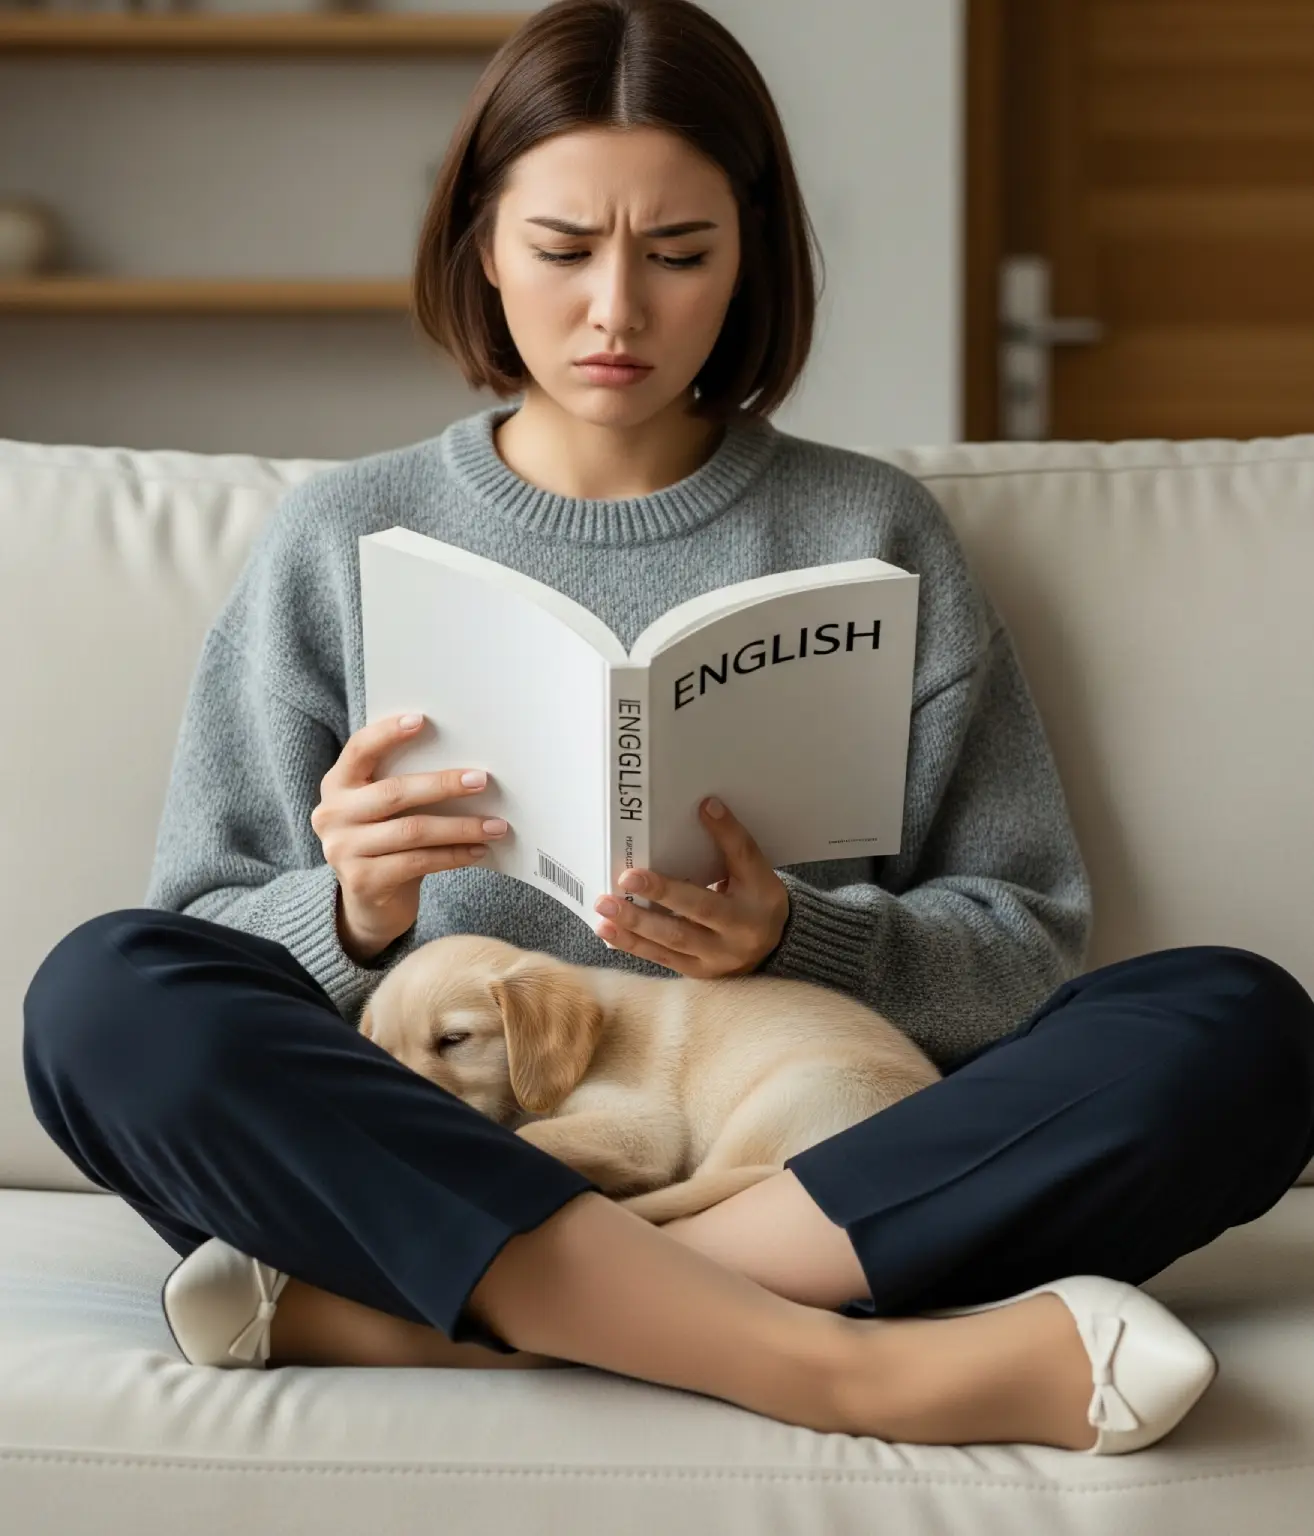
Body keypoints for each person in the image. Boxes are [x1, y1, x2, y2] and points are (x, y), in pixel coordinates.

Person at [21, 0, 1314, 1455]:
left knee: (1234, 1027)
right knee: (99, 999)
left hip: (795, 1166)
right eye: (562, 251)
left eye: (678, 254)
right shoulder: (340, 538)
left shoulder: (867, 529)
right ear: (481, 248)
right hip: (437, 1149)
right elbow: (196, 931)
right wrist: (352, 914)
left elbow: (1021, 945)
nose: (616, 314)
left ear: (749, 255)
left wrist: (796, 942)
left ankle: (454, 1321)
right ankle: (842, 1370)